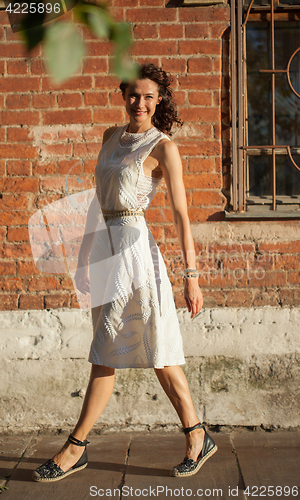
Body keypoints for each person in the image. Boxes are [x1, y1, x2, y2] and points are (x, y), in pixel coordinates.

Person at [32, 63, 217, 482]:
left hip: (136, 252)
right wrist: (83, 257)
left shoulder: (163, 147)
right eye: (134, 94)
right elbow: (99, 204)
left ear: (159, 101)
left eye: (149, 96)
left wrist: (192, 275)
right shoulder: (109, 138)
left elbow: (181, 216)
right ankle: (196, 433)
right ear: (123, 96)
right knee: (126, 345)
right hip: (105, 251)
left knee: (140, 345)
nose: (140, 102)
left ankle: (75, 447)